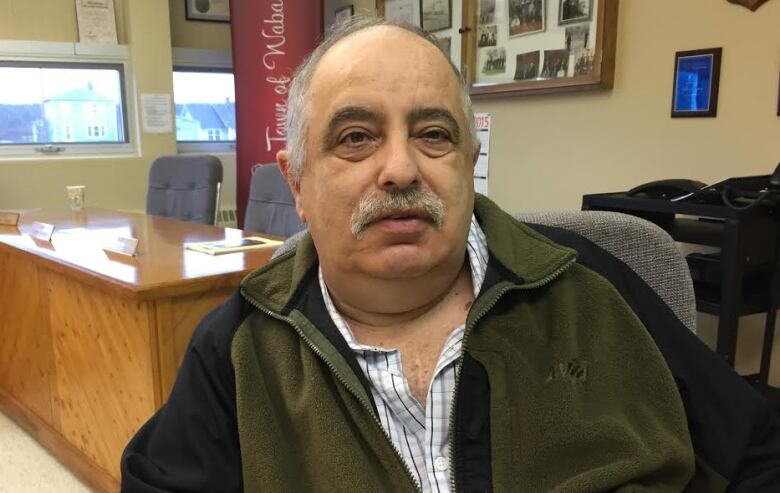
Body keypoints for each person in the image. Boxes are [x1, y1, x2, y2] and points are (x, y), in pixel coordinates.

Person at [121, 17, 780, 492]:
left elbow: (758, 451)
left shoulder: (592, 288)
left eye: (433, 134)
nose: (401, 167)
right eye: (356, 137)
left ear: (468, 162)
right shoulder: (239, 347)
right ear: (298, 182)